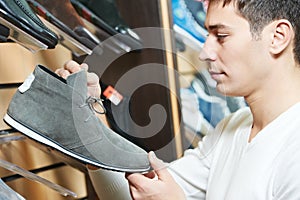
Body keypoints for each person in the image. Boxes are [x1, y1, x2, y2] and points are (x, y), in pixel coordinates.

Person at [57, 0, 300, 199]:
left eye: (222, 35)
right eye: (208, 35)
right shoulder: (231, 128)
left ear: (277, 37)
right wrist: (88, 126)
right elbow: (131, 196)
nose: (205, 52)